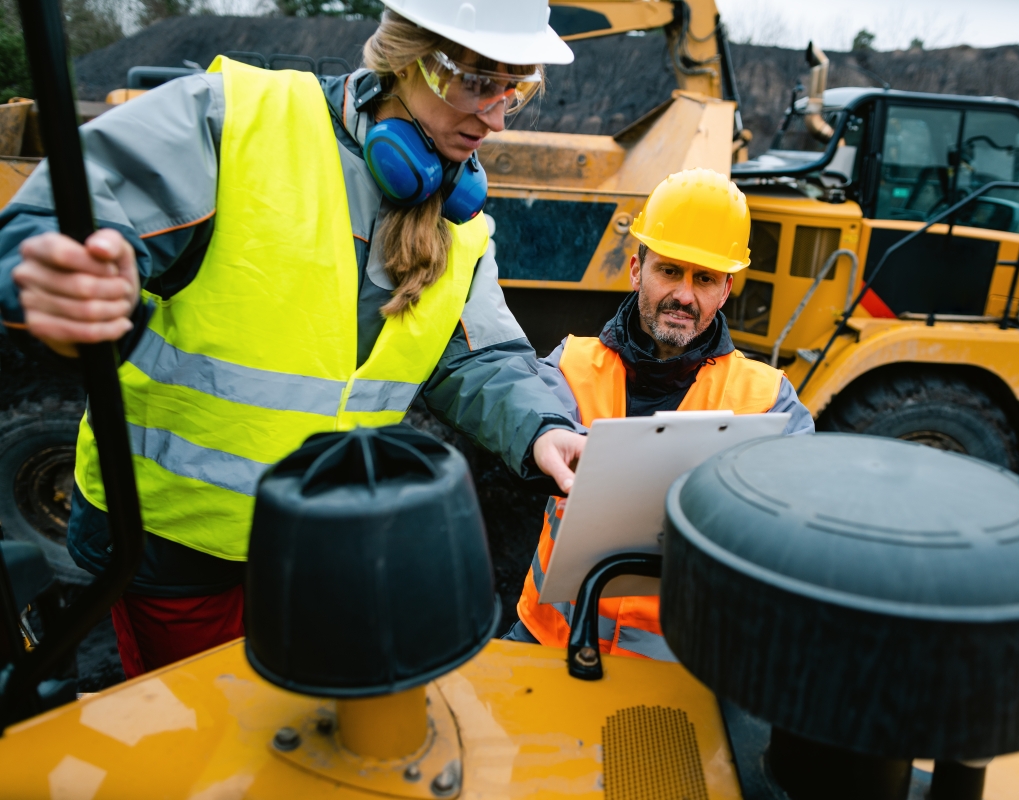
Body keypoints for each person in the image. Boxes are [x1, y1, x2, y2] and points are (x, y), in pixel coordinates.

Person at [0, 0, 588, 678]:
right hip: (173, 544)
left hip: (321, 542)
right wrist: (53, 264)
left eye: (516, 88)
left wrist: (543, 427)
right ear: (406, 57)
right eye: (478, 81)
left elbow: (482, 356)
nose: (495, 117)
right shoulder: (236, 121)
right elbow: (68, 212)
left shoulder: (459, 226)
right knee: (203, 743)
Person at [506, 168, 815, 660]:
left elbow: (803, 521)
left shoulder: (768, 400)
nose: (685, 296)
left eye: (705, 278)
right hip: (550, 642)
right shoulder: (570, 367)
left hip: (680, 669)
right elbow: (516, 432)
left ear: (726, 290)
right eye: (670, 271)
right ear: (636, 270)